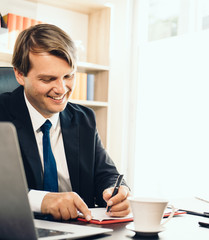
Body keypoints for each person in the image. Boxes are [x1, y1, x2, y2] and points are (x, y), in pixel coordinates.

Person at [0, 24, 130, 221]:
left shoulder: (84, 119)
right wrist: (41, 200)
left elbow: (106, 174)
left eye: (68, 76)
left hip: (80, 230)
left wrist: (116, 191)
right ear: (19, 74)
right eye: (48, 79)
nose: (61, 89)